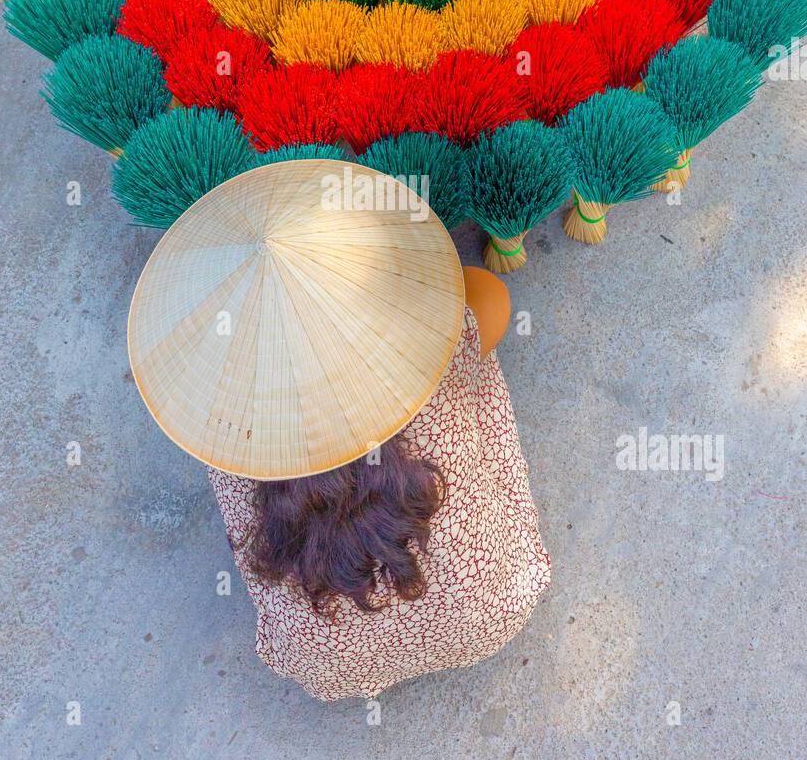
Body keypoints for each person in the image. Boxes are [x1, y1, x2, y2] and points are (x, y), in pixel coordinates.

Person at [128, 159, 550, 703]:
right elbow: (479, 312)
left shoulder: (228, 447)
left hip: (330, 671)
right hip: (495, 608)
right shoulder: (429, 372)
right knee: (480, 294)